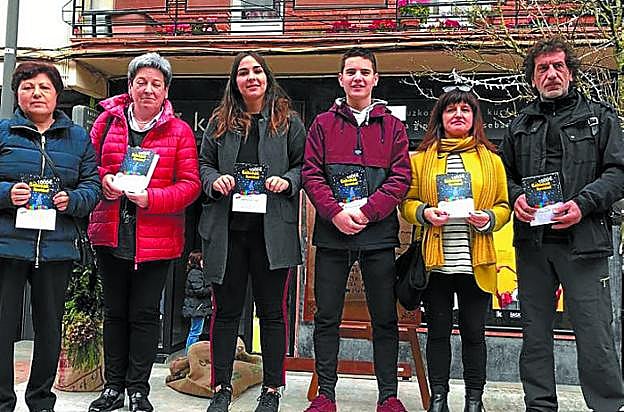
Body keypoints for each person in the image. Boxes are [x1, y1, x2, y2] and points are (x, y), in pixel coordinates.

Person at [500, 36, 624, 411]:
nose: (551, 74)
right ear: (533, 78)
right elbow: (503, 176)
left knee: (594, 330)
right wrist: (516, 196)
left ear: (570, 73)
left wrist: (583, 204)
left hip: (584, 242)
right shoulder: (519, 124)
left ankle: (607, 405)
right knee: (534, 333)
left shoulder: (600, 118)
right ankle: (539, 405)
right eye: (543, 68)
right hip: (533, 245)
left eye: (558, 66)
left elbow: (618, 172)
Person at [87, 52, 201, 412]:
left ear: (166, 91)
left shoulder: (179, 131)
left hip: (157, 238)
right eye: (142, 82)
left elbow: (190, 185)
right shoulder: (107, 122)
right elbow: (87, 167)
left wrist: (152, 198)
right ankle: (112, 388)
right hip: (111, 233)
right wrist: (104, 181)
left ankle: (138, 389)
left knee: (145, 314)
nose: (148, 89)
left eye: (156, 84)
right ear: (130, 85)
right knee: (114, 313)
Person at [302, 47, 411, 412]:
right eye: (351, 72)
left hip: (378, 236)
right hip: (333, 235)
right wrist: (334, 213)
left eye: (365, 72)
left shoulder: (393, 127)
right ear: (341, 79)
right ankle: (325, 395)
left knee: (385, 319)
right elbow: (311, 174)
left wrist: (367, 211)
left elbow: (400, 178)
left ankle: (388, 396)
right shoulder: (322, 124)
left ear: (375, 79)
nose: (358, 78)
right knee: (326, 318)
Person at [199, 51, 306, 412]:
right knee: (226, 313)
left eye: (257, 71)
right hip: (228, 233)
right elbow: (203, 164)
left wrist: (287, 180)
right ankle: (221, 388)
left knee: (272, 314)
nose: (251, 77)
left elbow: (304, 166)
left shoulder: (288, 121)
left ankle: (272, 389)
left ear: (267, 77)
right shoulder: (219, 122)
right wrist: (215, 180)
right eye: (243, 72)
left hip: (271, 234)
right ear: (235, 82)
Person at [400, 88, 511, 412]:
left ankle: (474, 400)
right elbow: (407, 203)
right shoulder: (420, 159)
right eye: (451, 110)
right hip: (436, 263)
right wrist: (424, 213)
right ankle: (438, 398)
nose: (458, 114)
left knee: (475, 333)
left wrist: (489, 218)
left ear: (475, 118)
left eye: (465, 109)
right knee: (437, 333)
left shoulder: (492, 160)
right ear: (440, 117)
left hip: (477, 261)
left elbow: (504, 206)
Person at [0, 62, 101, 412]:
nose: (36, 94)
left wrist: (71, 200)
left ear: (57, 94)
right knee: (1, 328)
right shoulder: (3, 133)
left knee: (49, 329)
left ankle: (41, 400)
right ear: (17, 94)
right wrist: (6, 194)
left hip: (57, 249)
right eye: (28, 87)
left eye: (44, 87)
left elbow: (92, 187)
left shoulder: (78, 138)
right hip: (8, 247)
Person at [182, 250, 212, 354]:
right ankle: (189, 354)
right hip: (197, 307)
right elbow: (199, 291)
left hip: (197, 307)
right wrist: (212, 288)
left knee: (195, 331)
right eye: (202, 260)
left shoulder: (195, 273)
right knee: (195, 332)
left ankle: (191, 353)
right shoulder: (196, 273)